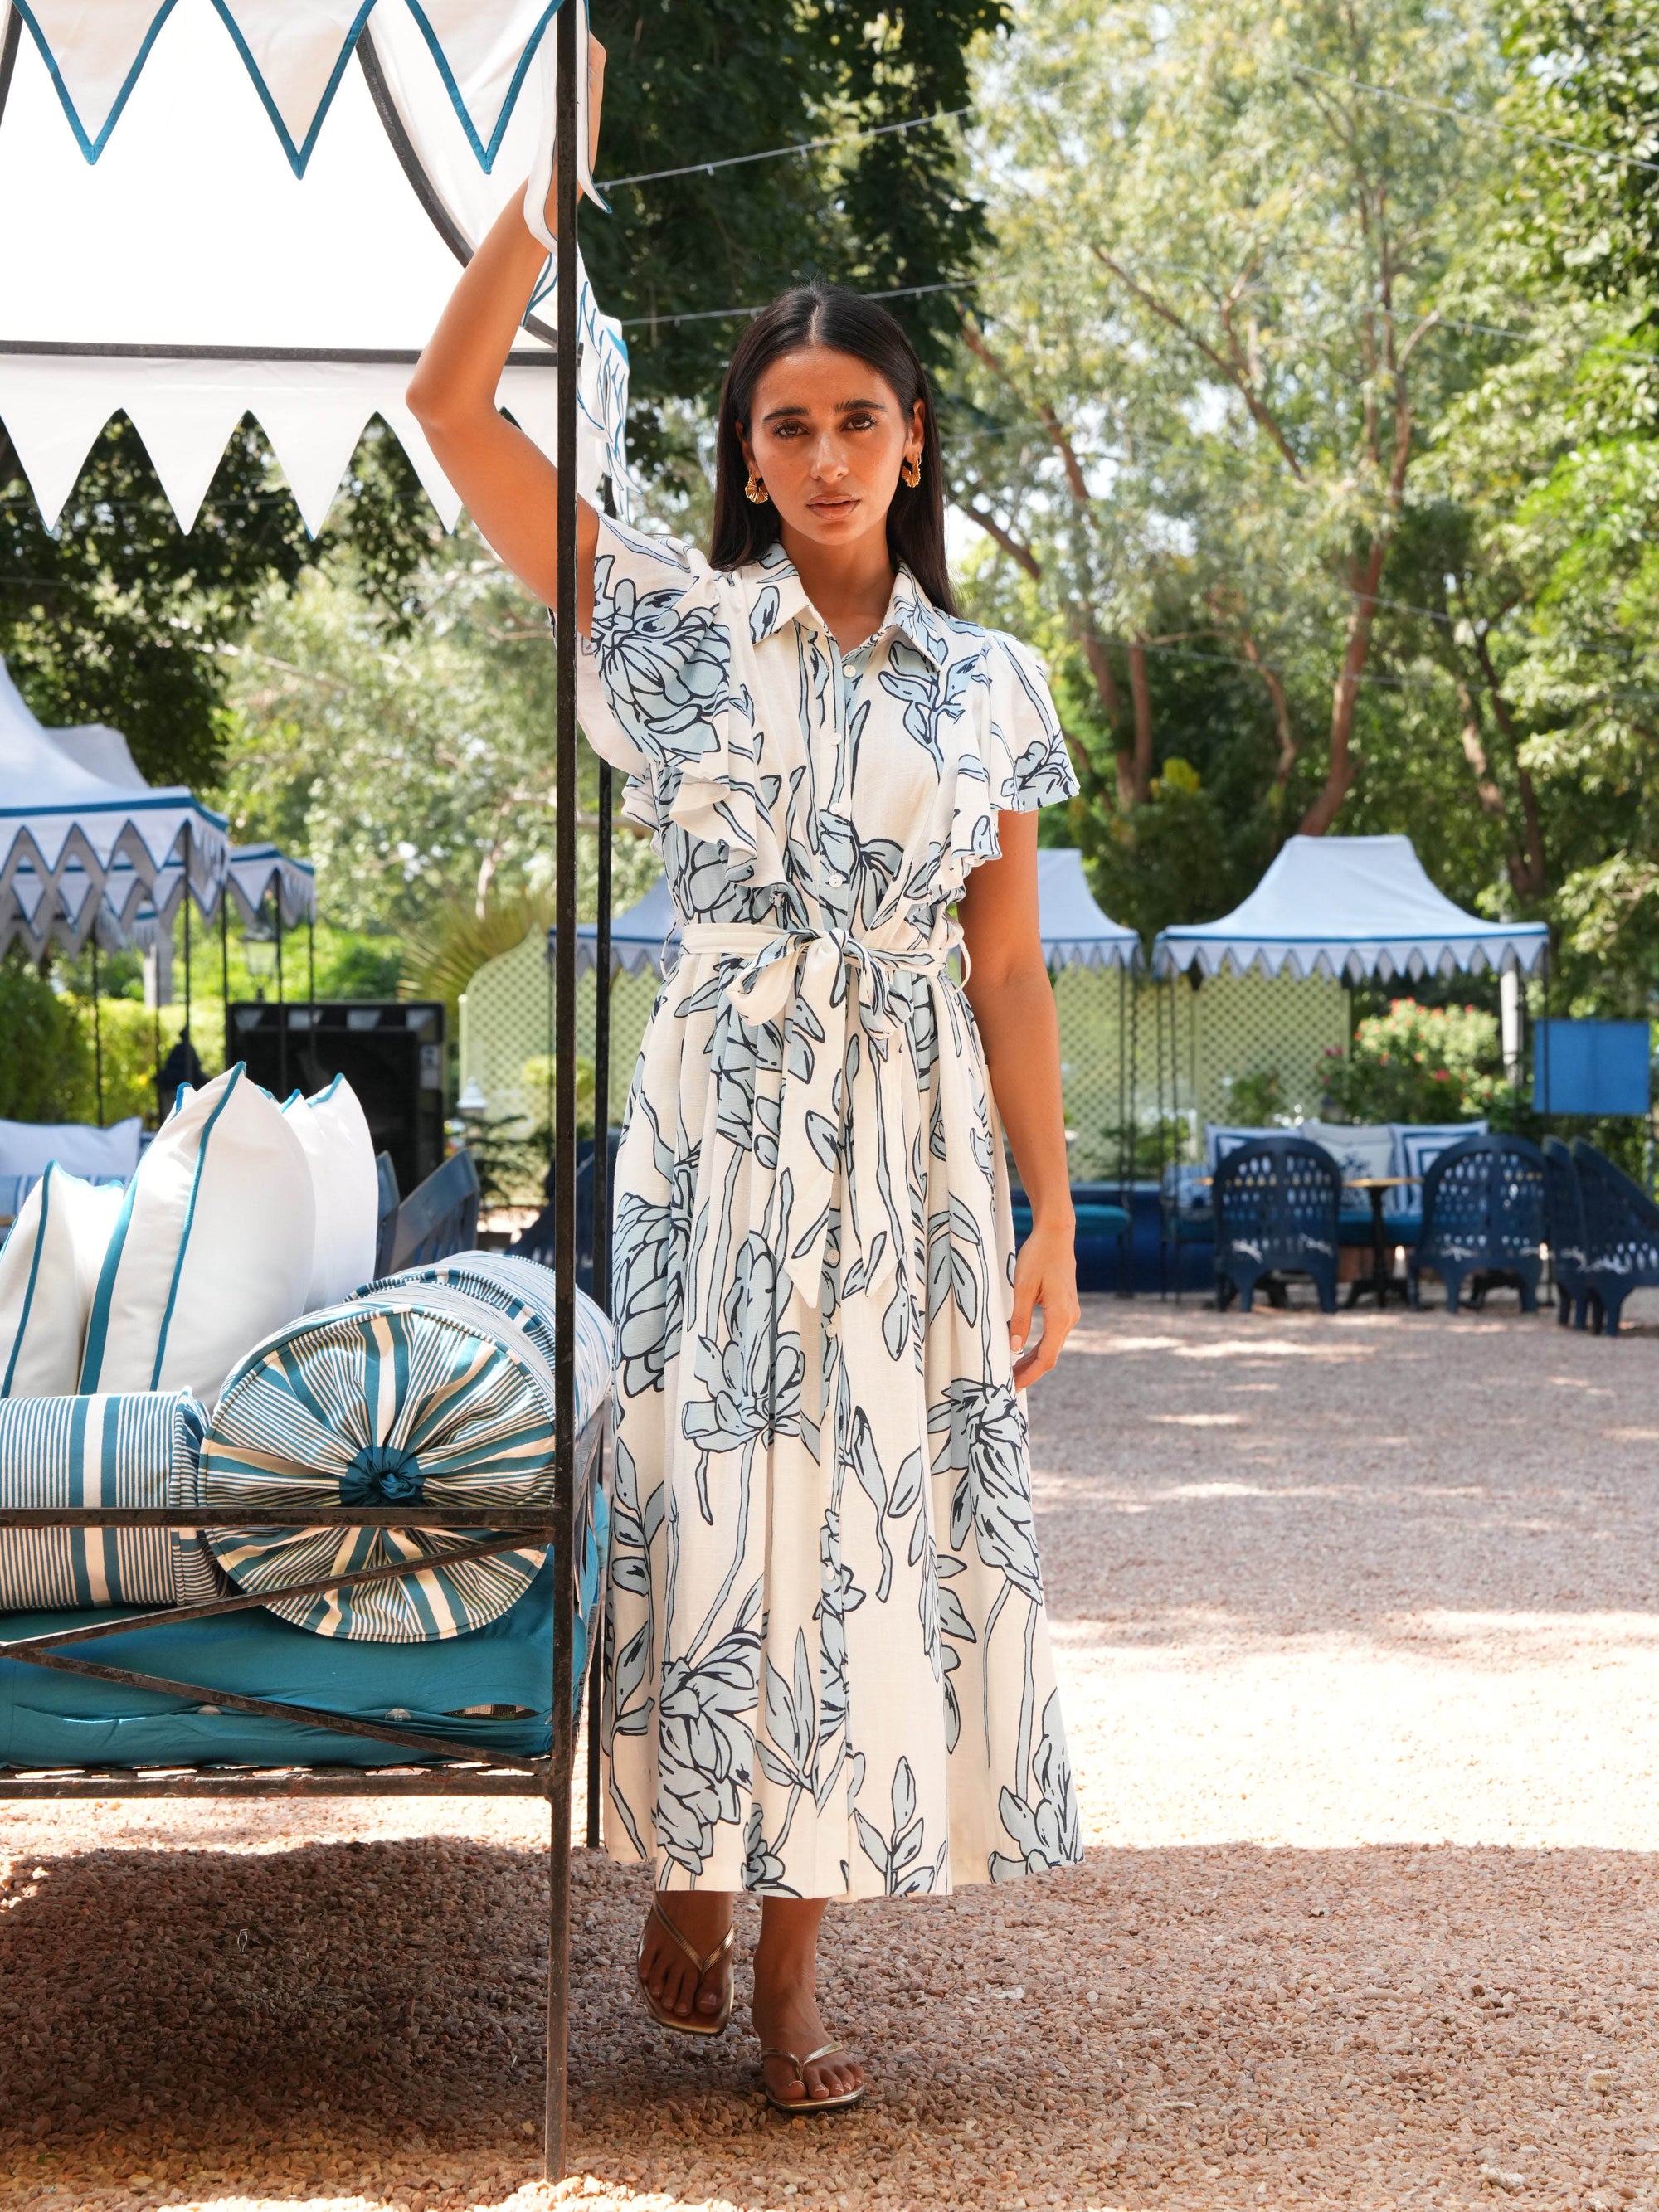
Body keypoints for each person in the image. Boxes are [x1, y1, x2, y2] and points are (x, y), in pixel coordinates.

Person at [408, 36, 1082, 2118]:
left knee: (870, 1535)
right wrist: (552, 182)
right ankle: (688, 1865)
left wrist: (1054, 1215)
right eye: (782, 423)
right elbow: (447, 411)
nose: (817, 452)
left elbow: (1009, 963)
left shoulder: (990, 683)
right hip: (724, 1119)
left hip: (910, 1145)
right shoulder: (678, 632)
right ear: (743, 448)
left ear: (910, 439)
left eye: (853, 418)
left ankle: (792, 1976)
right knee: (717, 1504)